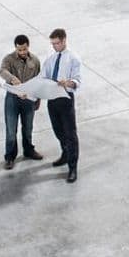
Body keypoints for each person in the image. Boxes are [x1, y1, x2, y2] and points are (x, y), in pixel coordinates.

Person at [42, 28, 82, 184]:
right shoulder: (51, 57)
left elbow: (77, 80)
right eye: (52, 44)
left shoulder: (73, 58)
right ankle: (65, 154)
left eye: (57, 43)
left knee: (70, 133)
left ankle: (73, 167)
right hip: (52, 97)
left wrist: (68, 83)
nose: (54, 46)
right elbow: (45, 74)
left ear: (64, 40)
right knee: (57, 129)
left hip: (65, 97)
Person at [0, 34, 45, 170]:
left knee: (28, 128)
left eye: (24, 49)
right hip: (12, 99)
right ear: (15, 48)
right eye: (19, 50)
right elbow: (2, 71)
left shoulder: (35, 61)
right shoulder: (9, 59)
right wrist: (12, 78)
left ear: (28, 46)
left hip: (28, 99)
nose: (22, 52)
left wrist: (38, 99)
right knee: (11, 130)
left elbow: (39, 81)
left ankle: (29, 150)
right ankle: (10, 157)